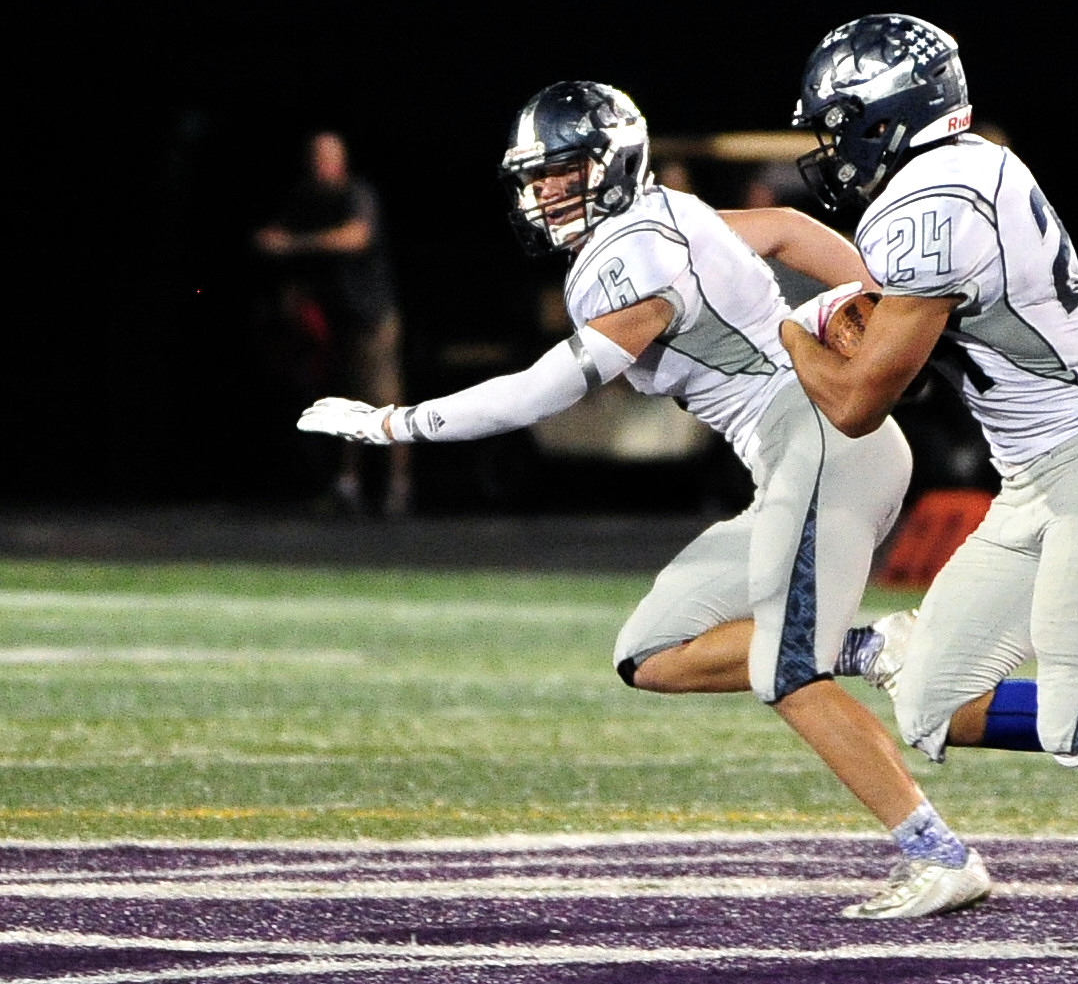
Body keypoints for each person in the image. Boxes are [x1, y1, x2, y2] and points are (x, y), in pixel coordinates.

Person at [297, 81, 988, 919]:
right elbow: (785, 230)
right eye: (537, 175)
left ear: (611, 164)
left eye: (562, 171)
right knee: (650, 652)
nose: (544, 190)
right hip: (804, 456)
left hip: (821, 443)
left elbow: (537, 392)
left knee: (783, 670)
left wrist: (391, 422)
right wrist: (888, 297)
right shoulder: (665, 213)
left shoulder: (630, 258)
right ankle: (868, 649)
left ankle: (938, 854)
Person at [730, 14, 1078, 978]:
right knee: (933, 700)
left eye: (843, 123)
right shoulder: (973, 168)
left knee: (1075, 717)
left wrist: (772, 319)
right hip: (1036, 476)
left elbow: (853, 404)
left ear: (892, 118)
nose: (832, 146)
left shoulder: (927, 206)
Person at [255, 131, 413, 516]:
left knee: (387, 405)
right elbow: (274, 239)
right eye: (314, 157)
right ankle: (348, 485)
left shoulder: (356, 193)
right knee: (346, 405)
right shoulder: (309, 200)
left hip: (373, 318)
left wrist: (295, 243)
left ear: (341, 161)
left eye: (326, 157)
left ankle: (398, 488)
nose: (319, 165)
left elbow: (357, 237)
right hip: (339, 322)